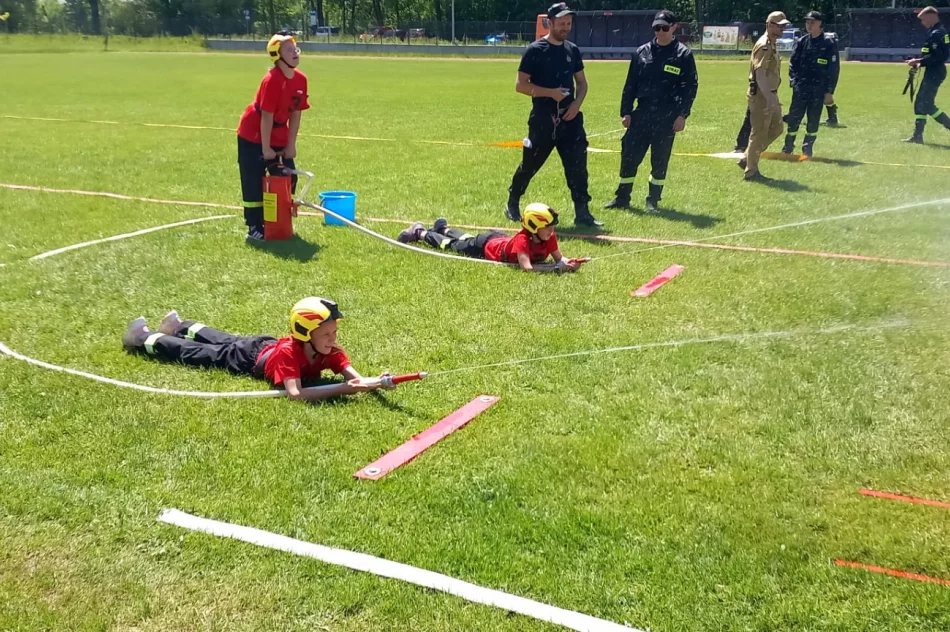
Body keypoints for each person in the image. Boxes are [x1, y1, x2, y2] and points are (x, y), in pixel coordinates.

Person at [122, 297, 389, 402]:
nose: (333, 339)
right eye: (327, 333)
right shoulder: (290, 354)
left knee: (224, 339)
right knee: (203, 354)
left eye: (335, 332)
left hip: (264, 345)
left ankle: (180, 325)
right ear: (306, 334)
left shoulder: (331, 351)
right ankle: (143, 338)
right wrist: (344, 389)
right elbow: (295, 394)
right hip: (249, 358)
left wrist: (377, 382)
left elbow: (354, 378)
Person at [505, 3, 603, 227]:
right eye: (562, 23)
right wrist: (551, 93)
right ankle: (512, 201)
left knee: (578, 167)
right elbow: (520, 85)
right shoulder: (535, 50)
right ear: (550, 23)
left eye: (569, 23)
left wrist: (576, 104)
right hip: (543, 118)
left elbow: (582, 83)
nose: (566, 27)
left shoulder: (572, 50)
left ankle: (583, 213)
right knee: (530, 164)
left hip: (571, 119)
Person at [604, 10, 698, 212]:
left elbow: (690, 87)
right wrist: (626, 111)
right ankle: (622, 198)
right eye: (657, 28)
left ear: (674, 27)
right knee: (630, 156)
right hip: (642, 114)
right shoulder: (641, 52)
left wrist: (683, 114)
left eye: (664, 27)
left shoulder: (683, 54)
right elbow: (630, 84)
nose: (660, 31)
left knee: (660, 159)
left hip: (667, 116)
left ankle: (653, 200)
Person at [236, 32, 310, 241]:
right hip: (254, 133)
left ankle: (279, 220)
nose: (295, 52)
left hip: (279, 132)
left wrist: (291, 144)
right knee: (253, 180)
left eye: (295, 48)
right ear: (277, 55)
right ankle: (254, 226)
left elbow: (296, 113)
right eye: (288, 49)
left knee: (289, 176)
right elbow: (266, 116)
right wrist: (266, 149)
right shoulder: (271, 80)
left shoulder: (301, 80)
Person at [397, 204, 587, 273]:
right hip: (486, 246)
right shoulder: (523, 240)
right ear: (533, 226)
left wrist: (569, 263)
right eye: (548, 227)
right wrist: (555, 270)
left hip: (498, 240)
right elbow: (527, 268)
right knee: (453, 246)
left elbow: (559, 258)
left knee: (466, 239)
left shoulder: (548, 237)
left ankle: (443, 228)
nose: (552, 231)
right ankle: (420, 232)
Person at [739, 11, 789, 182]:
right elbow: (760, 75)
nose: (783, 29)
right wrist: (770, 100)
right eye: (780, 26)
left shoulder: (772, 43)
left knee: (777, 128)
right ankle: (751, 171)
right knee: (759, 133)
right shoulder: (764, 45)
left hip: (769, 94)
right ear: (769, 25)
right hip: (762, 96)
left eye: (784, 26)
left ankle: (747, 157)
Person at [781, 11, 840, 157]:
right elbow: (793, 64)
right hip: (801, 87)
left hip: (818, 89)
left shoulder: (828, 43)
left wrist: (829, 91)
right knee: (794, 118)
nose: (809, 25)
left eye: (812, 22)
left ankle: (807, 148)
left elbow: (833, 69)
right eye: (807, 22)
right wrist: (793, 81)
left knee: (813, 119)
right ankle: (788, 146)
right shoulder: (802, 42)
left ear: (820, 23)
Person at [903, 6, 950, 144]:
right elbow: (932, 55)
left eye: (923, 19)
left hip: (935, 72)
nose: (922, 23)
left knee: (927, 104)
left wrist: (919, 61)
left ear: (930, 17)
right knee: (920, 103)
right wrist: (920, 62)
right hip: (933, 71)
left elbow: (939, 57)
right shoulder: (937, 31)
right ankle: (917, 136)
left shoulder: (937, 33)